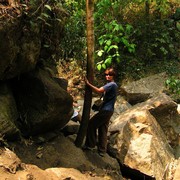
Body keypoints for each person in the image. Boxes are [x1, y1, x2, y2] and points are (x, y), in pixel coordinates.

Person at [84, 67, 118, 157]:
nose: (107, 76)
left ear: (113, 76)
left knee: (91, 124)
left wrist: (88, 84)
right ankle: (102, 150)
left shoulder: (112, 85)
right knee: (103, 129)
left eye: (110, 75)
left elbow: (99, 90)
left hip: (106, 110)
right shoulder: (111, 85)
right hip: (108, 110)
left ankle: (90, 145)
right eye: (106, 74)